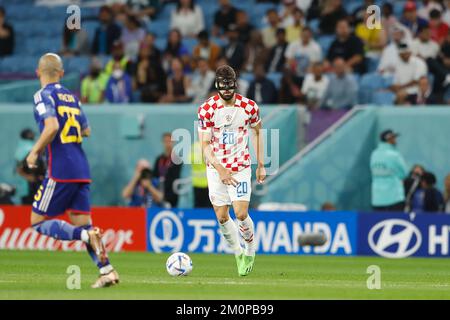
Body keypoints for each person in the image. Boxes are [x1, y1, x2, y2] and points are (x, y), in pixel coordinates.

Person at [26, 53, 118, 288]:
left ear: (38, 72)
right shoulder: (73, 97)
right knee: (84, 223)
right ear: (62, 73)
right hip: (80, 166)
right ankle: (107, 270)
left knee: (37, 221)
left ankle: (84, 236)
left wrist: (35, 151)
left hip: (60, 168)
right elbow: (86, 131)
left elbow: (52, 126)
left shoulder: (42, 95)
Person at [197, 64, 266, 276]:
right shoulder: (206, 109)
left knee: (241, 212)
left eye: (229, 85)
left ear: (235, 84)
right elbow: (205, 145)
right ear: (217, 85)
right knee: (221, 216)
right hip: (216, 168)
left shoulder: (250, 107)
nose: (226, 89)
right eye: (222, 85)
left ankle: (250, 249)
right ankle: (237, 253)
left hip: (241, 166)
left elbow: (256, 132)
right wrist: (220, 169)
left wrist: (261, 164)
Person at [370, 129, 408, 211]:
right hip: (394, 198)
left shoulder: (374, 154)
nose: (395, 140)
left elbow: (373, 171)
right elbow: (404, 173)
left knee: (378, 223)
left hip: (377, 199)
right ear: (389, 139)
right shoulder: (395, 155)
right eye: (394, 138)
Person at [15, 129, 46, 204]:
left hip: (23, 186)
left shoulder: (19, 148)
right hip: (31, 186)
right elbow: (20, 168)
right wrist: (33, 177)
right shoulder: (30, 148)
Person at [153, 133, 182, 208]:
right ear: (162, 142)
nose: (167, 144)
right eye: (165, 141)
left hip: (171, 195)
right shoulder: (159, 159)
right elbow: (155, 175)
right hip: (158, 193)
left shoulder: (177, 160)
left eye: (169, 141)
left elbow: (175, 178)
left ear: (173, 142)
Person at [190, 141, 209, 208]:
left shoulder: (194, 146)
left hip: (197, 183)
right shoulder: (208, 146)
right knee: (209, 208)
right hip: (207, 183)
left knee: (198, 207)